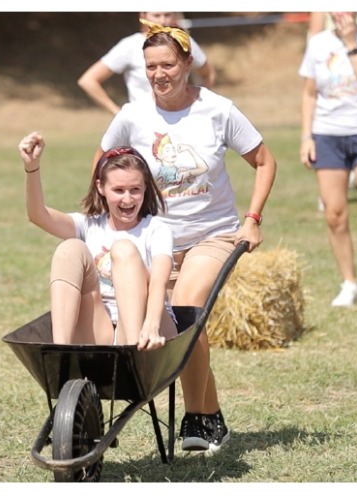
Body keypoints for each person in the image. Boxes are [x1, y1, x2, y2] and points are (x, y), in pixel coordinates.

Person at [94, 20, 276, 452]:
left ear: (188, 62)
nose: (159, 74)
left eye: (168, 65)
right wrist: (104, 218)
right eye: (151, 66)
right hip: (154, 239)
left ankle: (196, 419)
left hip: (212, 235)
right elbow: (104, 163)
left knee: (185, 309)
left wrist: (252, 219)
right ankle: (212, 415)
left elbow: (265, 161)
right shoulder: (133, 114)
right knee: (182, 327)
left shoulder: (218, 109)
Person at [18, 132, 177, 349]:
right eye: (118, 190)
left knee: (123, 249)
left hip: (149, 324)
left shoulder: (156, 230)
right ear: (101, 187)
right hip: (99, 326)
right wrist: (32, 167)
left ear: (146, 188)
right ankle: (61, 351)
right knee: (69, 248)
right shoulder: (89, 225)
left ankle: (131, 357)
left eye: (135, 190)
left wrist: (151, 325)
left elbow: (159, 280)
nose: (128, 199)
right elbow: (38, 215)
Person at [300, 12, 357, 308]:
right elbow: (309, 93)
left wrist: (352, 43)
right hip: (327, 135)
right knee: (334, 214)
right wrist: (307, 136)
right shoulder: (317, 43)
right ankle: (349, 282)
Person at [77, 12, 216, 116]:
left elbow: (208, 74)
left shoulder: (184, 41)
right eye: (156, 15)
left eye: (167, 15)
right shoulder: (129, 45)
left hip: (182, 120)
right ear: (143, 16)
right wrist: (119, 113)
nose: (163, 20)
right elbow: (88, 80)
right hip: (143, 123)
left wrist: (195, 104)